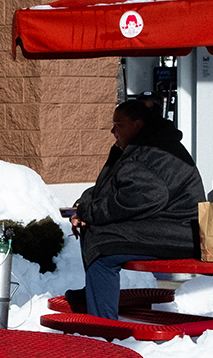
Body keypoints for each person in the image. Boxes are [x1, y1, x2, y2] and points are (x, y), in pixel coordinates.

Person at [68, 99, 205, 320]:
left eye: (118, 125)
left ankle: (103, 324)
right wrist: (83, 205)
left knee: (101, 245)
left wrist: (89, 212)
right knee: (95, 229)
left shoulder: (151, 152)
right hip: (166, 224)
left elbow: (143, 197)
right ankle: (96, 293)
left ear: (138, 125)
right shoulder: (144, 147)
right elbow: (113, 186)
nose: (113, 131)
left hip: (180, 231)